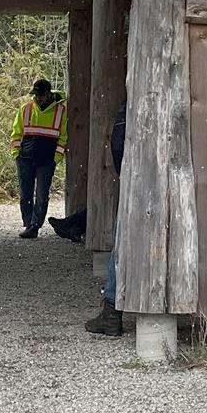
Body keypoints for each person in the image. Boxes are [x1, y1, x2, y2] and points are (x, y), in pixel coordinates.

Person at [85, 100, 126, 336]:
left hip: (139, 178)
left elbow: (118, 147)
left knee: (121, 240)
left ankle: (111, 309)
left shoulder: (132, 104)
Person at [10, 78, 68, 239]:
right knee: (25, 193)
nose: (37, 98)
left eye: (40, 95)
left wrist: (56, 157)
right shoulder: (26, 109)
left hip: (47, 160)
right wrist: (16, 154)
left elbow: (63, 137)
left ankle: (35, 225)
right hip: (25, 158)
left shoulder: (61, 111)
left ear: (49, 94)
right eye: (35, 94)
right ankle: (28, 223)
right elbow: (16, 133)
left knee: (42, 194)